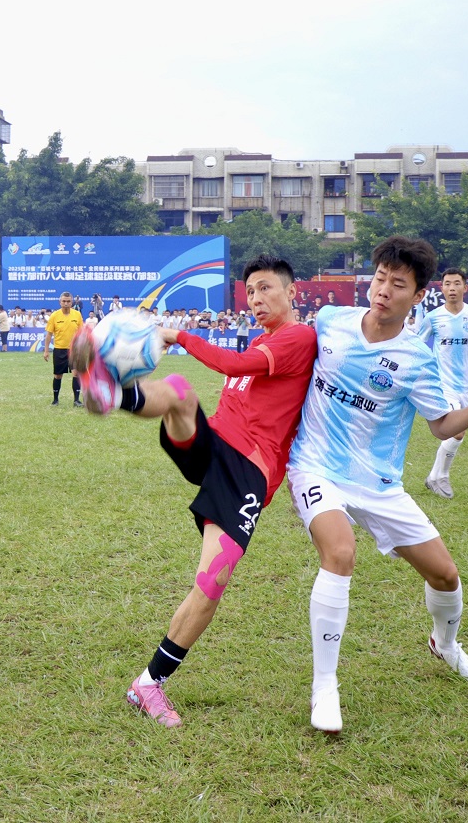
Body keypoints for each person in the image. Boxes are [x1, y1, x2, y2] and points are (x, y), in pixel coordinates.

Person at [71, 255, 318, 727]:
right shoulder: (266, 338)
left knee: (211, 583)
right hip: (215, 448)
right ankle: (110, 394)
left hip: (247, 472)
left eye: (266, 289)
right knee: (181, 391)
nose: (256, 299)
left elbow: (234, 362)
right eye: (250, 292)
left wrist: (177, 334)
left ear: (292, 292)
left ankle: (148, 684)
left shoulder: (297, 338)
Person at [286, 237, 468, 734]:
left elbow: (440, 425)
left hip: (378, 482)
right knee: (340, 552)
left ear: (418, 297)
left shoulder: (416, 359)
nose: (384, 291)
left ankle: (446, 645)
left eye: (399, 284)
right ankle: (325, 687)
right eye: (379, 279)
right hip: (314, 466)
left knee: (445, 576)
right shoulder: (330, 321)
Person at [414, 268, 468, 498]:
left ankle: (433, 477)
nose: (451, 288)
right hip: (442, 383)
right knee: (458, 431)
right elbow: (415, 344)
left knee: (459, 432)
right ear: (441, 288)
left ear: (465, 288)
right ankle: (441, 478)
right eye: (447, 284)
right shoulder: (433, 317)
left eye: (456, 284)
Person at [43, 292, 85, 407]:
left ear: (72, 302)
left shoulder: (77, 315)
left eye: (68, 301)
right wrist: (46, 351)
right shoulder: (54, 316)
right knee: (58, 375)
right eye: (64, 301)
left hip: (74, 350)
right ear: (60, 302)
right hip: (59, 350)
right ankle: (55, 400)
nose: (66, 303)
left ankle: (76, 400)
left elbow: (82, 333)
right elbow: (49, 335)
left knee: (76, 373)